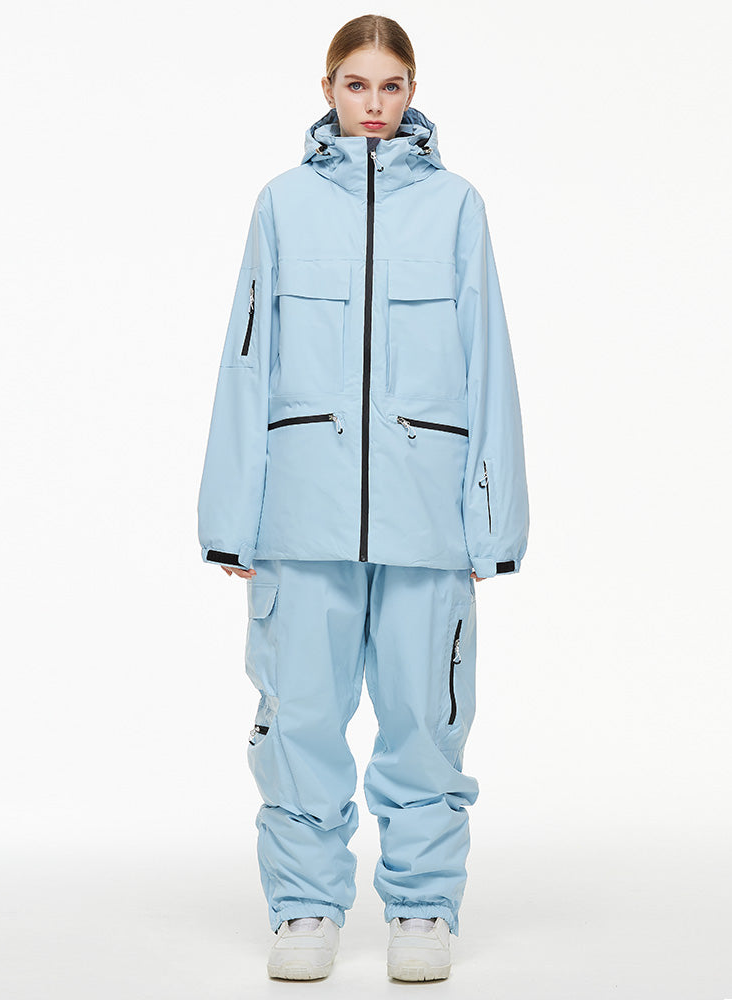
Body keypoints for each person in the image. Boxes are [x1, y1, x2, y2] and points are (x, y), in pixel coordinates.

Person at [197, 14, 530, 983]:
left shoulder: (457, 206)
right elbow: (246, 362)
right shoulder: (283, 204)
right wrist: (232, 518)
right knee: (299, 719)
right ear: (328, 90)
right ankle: (305, 907)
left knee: (426, 722)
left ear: (412, 91)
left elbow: (489, 364)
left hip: (427, 518)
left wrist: (492, 523)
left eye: (390, 86)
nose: (374, 104)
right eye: (356, 85)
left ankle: (422, 907)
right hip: (302, 515)